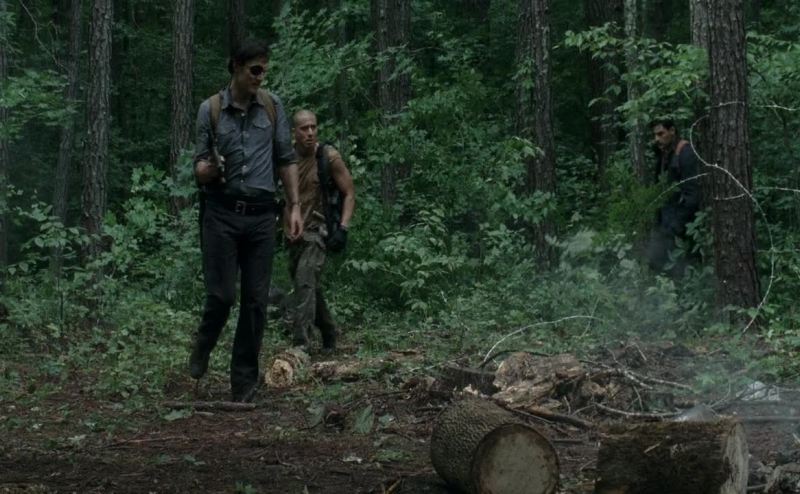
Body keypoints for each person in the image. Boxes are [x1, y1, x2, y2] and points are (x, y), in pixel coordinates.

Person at [189, 39, 303, 402]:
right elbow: (198, 167)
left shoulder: (272, 107)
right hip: (220, 213)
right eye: (255, 69)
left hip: (261, 216)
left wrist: (294, 206)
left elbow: (285, 159)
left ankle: (243, 384)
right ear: (236, 67)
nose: (260, 76)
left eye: (264, 70)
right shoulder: (210, 110)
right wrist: (209, 169)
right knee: (222, 296)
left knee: (256, 301)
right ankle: (203, 344)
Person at [288, 109, 355, 352]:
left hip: (318, 231)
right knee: (310, 286)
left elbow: (349, 193)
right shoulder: (286, 157)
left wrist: (343, 228)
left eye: (313, 127)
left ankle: (301, 345)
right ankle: (328, 331)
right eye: (304, 128)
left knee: (304, 282)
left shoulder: (328, 157)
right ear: (294, 132)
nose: (310, 132)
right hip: (293, 234)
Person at [646, 119, 701, 274]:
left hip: (680, 221)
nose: (657, 139)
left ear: (672, 131)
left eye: (660, 134)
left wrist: (677, 225)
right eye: (655, 135)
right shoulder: (664, 153)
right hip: (665, 217)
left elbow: (692, 194)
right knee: (656, 262)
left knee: (678, 268)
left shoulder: (685, 152)